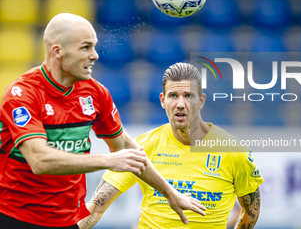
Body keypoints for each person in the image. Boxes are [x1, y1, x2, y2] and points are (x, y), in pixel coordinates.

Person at [0, 14, 205, 229]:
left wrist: (170, 194)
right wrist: (108, 160)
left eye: (94, 47)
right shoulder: (22, 94)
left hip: (66, 221)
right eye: (86, 47)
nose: (95, 55)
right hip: (13, 218)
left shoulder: (95, 93)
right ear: (57, 51)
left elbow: (125, 147)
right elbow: (39, 161)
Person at [78, 63, 264, 229]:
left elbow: (251, 213)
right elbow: (95, 208)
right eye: (173, 95)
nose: (180, 104)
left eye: (188, 96)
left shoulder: (233, 152)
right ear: (162, 100)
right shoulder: (143, 146)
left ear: (201, 101)